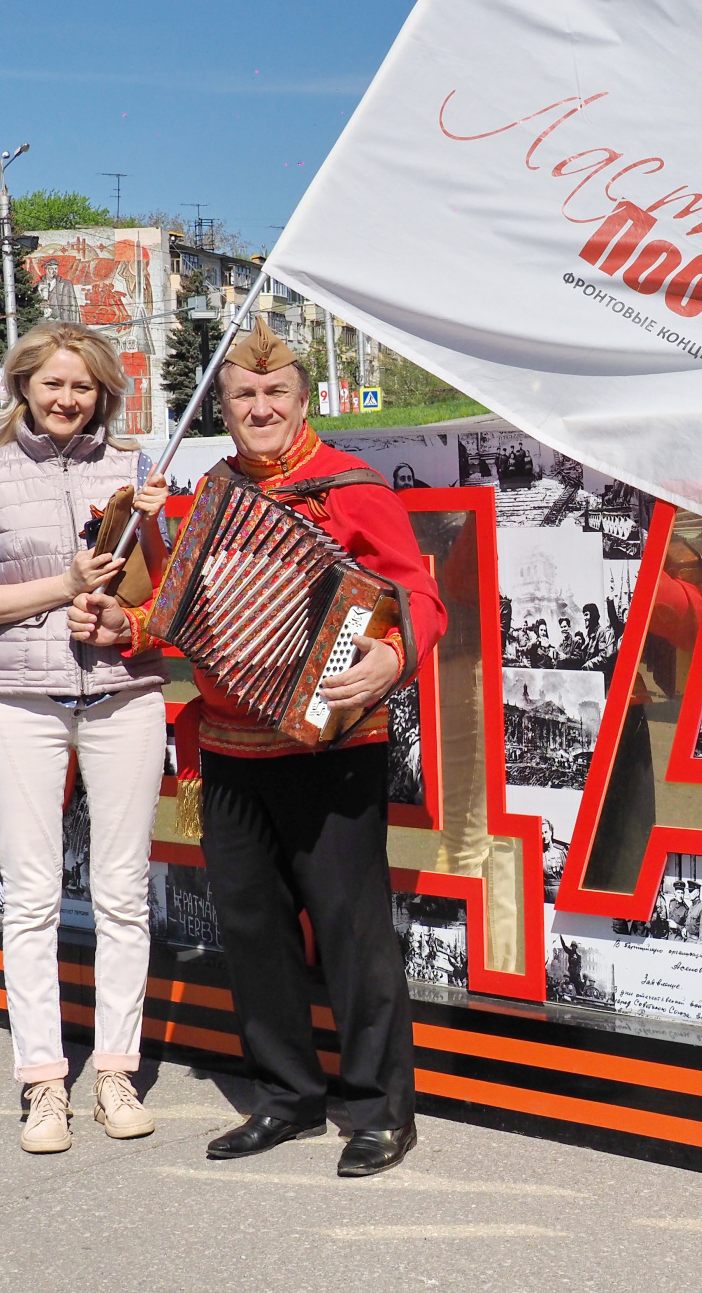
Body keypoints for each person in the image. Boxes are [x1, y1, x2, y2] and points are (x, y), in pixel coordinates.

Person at [78, 315, 447, 1178]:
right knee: (252, 931)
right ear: (225, 407)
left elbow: (420, 596)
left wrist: (393, 656)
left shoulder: (349, 488)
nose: (260, 407)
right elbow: (181, 611)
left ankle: (380, 1111)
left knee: (353, 932)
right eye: (243, 395)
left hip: (333, 742)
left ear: (304, 401)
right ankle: (286, 1097)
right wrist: (127, 626)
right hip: (230, 744)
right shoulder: (212, 492)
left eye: (275, 392)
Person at [0, 322, 172, 1153]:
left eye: (82, 386)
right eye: (52, 384)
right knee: (32, 894)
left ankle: (115, 1071)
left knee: (122, 891)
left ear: (102, 393)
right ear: (24, 388)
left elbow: (162, 595)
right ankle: (44, 1082)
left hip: (123, 695)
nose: (67, 399)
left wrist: (146, 548)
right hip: (21, 700)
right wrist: (64, 583)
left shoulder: (135, 472)